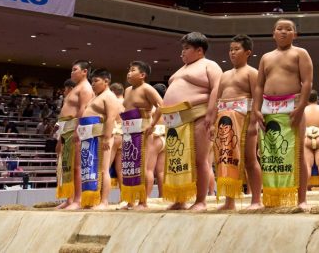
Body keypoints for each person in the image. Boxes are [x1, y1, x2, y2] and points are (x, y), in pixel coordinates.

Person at [154, 32, 221, 211]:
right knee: (177, 161)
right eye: (182, 48)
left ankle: (201, 201)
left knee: (200, 159)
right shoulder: (181, 70)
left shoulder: (209, 65)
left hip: (198, 115)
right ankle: (180, 199)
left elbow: (217, 88)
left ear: (199, 50)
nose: (182, 52)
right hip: (176, 120)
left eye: (187, 48)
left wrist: (211, 114)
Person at [255, 19, 313, 209]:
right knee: (270, 155)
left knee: (298, 154)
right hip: (268, 109)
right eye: (279, 29)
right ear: (273, 34)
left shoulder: (300, 53)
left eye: (288, 29)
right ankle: (273, 197)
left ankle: (302, 199)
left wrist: (301, 107)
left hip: (292, 107)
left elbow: (307, 82)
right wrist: (256, 109)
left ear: (295, 34)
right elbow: (259, 85)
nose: (283, 32)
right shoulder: (265, 57)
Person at [212, 34, 262, 210]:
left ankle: (256, 200)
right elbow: (218, 100)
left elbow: (257, 99)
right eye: (231, 49)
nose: (232, 52)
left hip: (245, 119)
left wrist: (254, 123)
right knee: (226, 159)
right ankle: (229, 201)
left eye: (236, 49)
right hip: (224, 121)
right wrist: (213, 122)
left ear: (248, 52)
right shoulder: (224, 75)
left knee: (249, 160)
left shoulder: (252, 72)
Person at [120, 61, 163, 209]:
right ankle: (131, 200)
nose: (129, 73)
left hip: (143, 131)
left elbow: (161, 106)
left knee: (143, 166)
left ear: (142, 75)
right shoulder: (127, 90)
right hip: (128, 132)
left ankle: (143, 201)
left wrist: (153, 124)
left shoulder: (147, 89)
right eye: (129, 70)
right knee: (129, 167)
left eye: (133, 70)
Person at [79, 69, 121, 209]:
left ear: (106, 81)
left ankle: (104, 201)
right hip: (90, 137)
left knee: (103, 169)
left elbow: (111, 118)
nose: (93, 84)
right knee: (91, 169)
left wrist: (107, 138)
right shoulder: (96, 96)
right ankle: (94, 200)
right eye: (92, 81)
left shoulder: (109, 96)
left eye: (96, 81)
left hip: (102, 136)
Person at [55, 62, 93, 209]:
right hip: (66, 128)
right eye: (71, 69)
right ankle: (69, 199)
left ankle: (78, 199)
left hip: (75, 128)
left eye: (75, 70)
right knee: (67, 166)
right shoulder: (76, 87)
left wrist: (78, 129)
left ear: (84, 71)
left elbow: (84, 109)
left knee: (77, 166)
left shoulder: (85, 88)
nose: (72, 72)